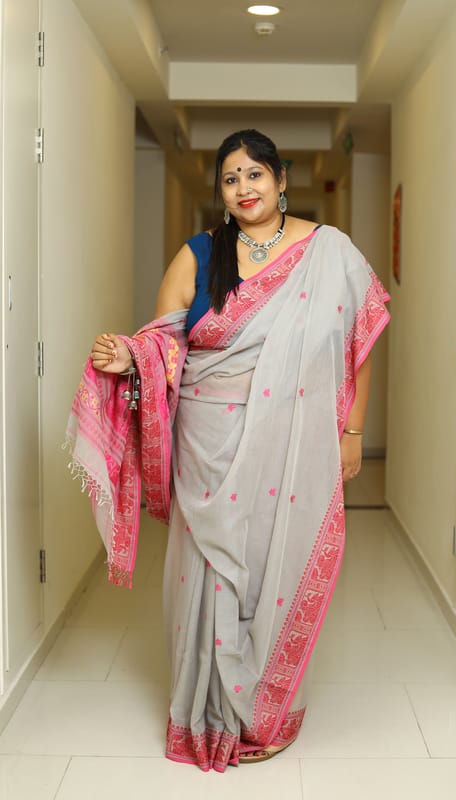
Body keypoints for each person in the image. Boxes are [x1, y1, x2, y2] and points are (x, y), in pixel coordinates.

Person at [66, 129, 390, 772]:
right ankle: (207, 714)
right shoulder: (199, 254)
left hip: (290, 445)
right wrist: (130, 355)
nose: (244, 188)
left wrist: (352, 432)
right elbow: (164, 342)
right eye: (231, 179)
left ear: (280, 180)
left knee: (272, 566)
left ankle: (264, 712)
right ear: (221, 191)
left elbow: (361, 341)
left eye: (255, 174)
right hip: (205, 444)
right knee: (209, 573)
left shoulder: (330, 252)